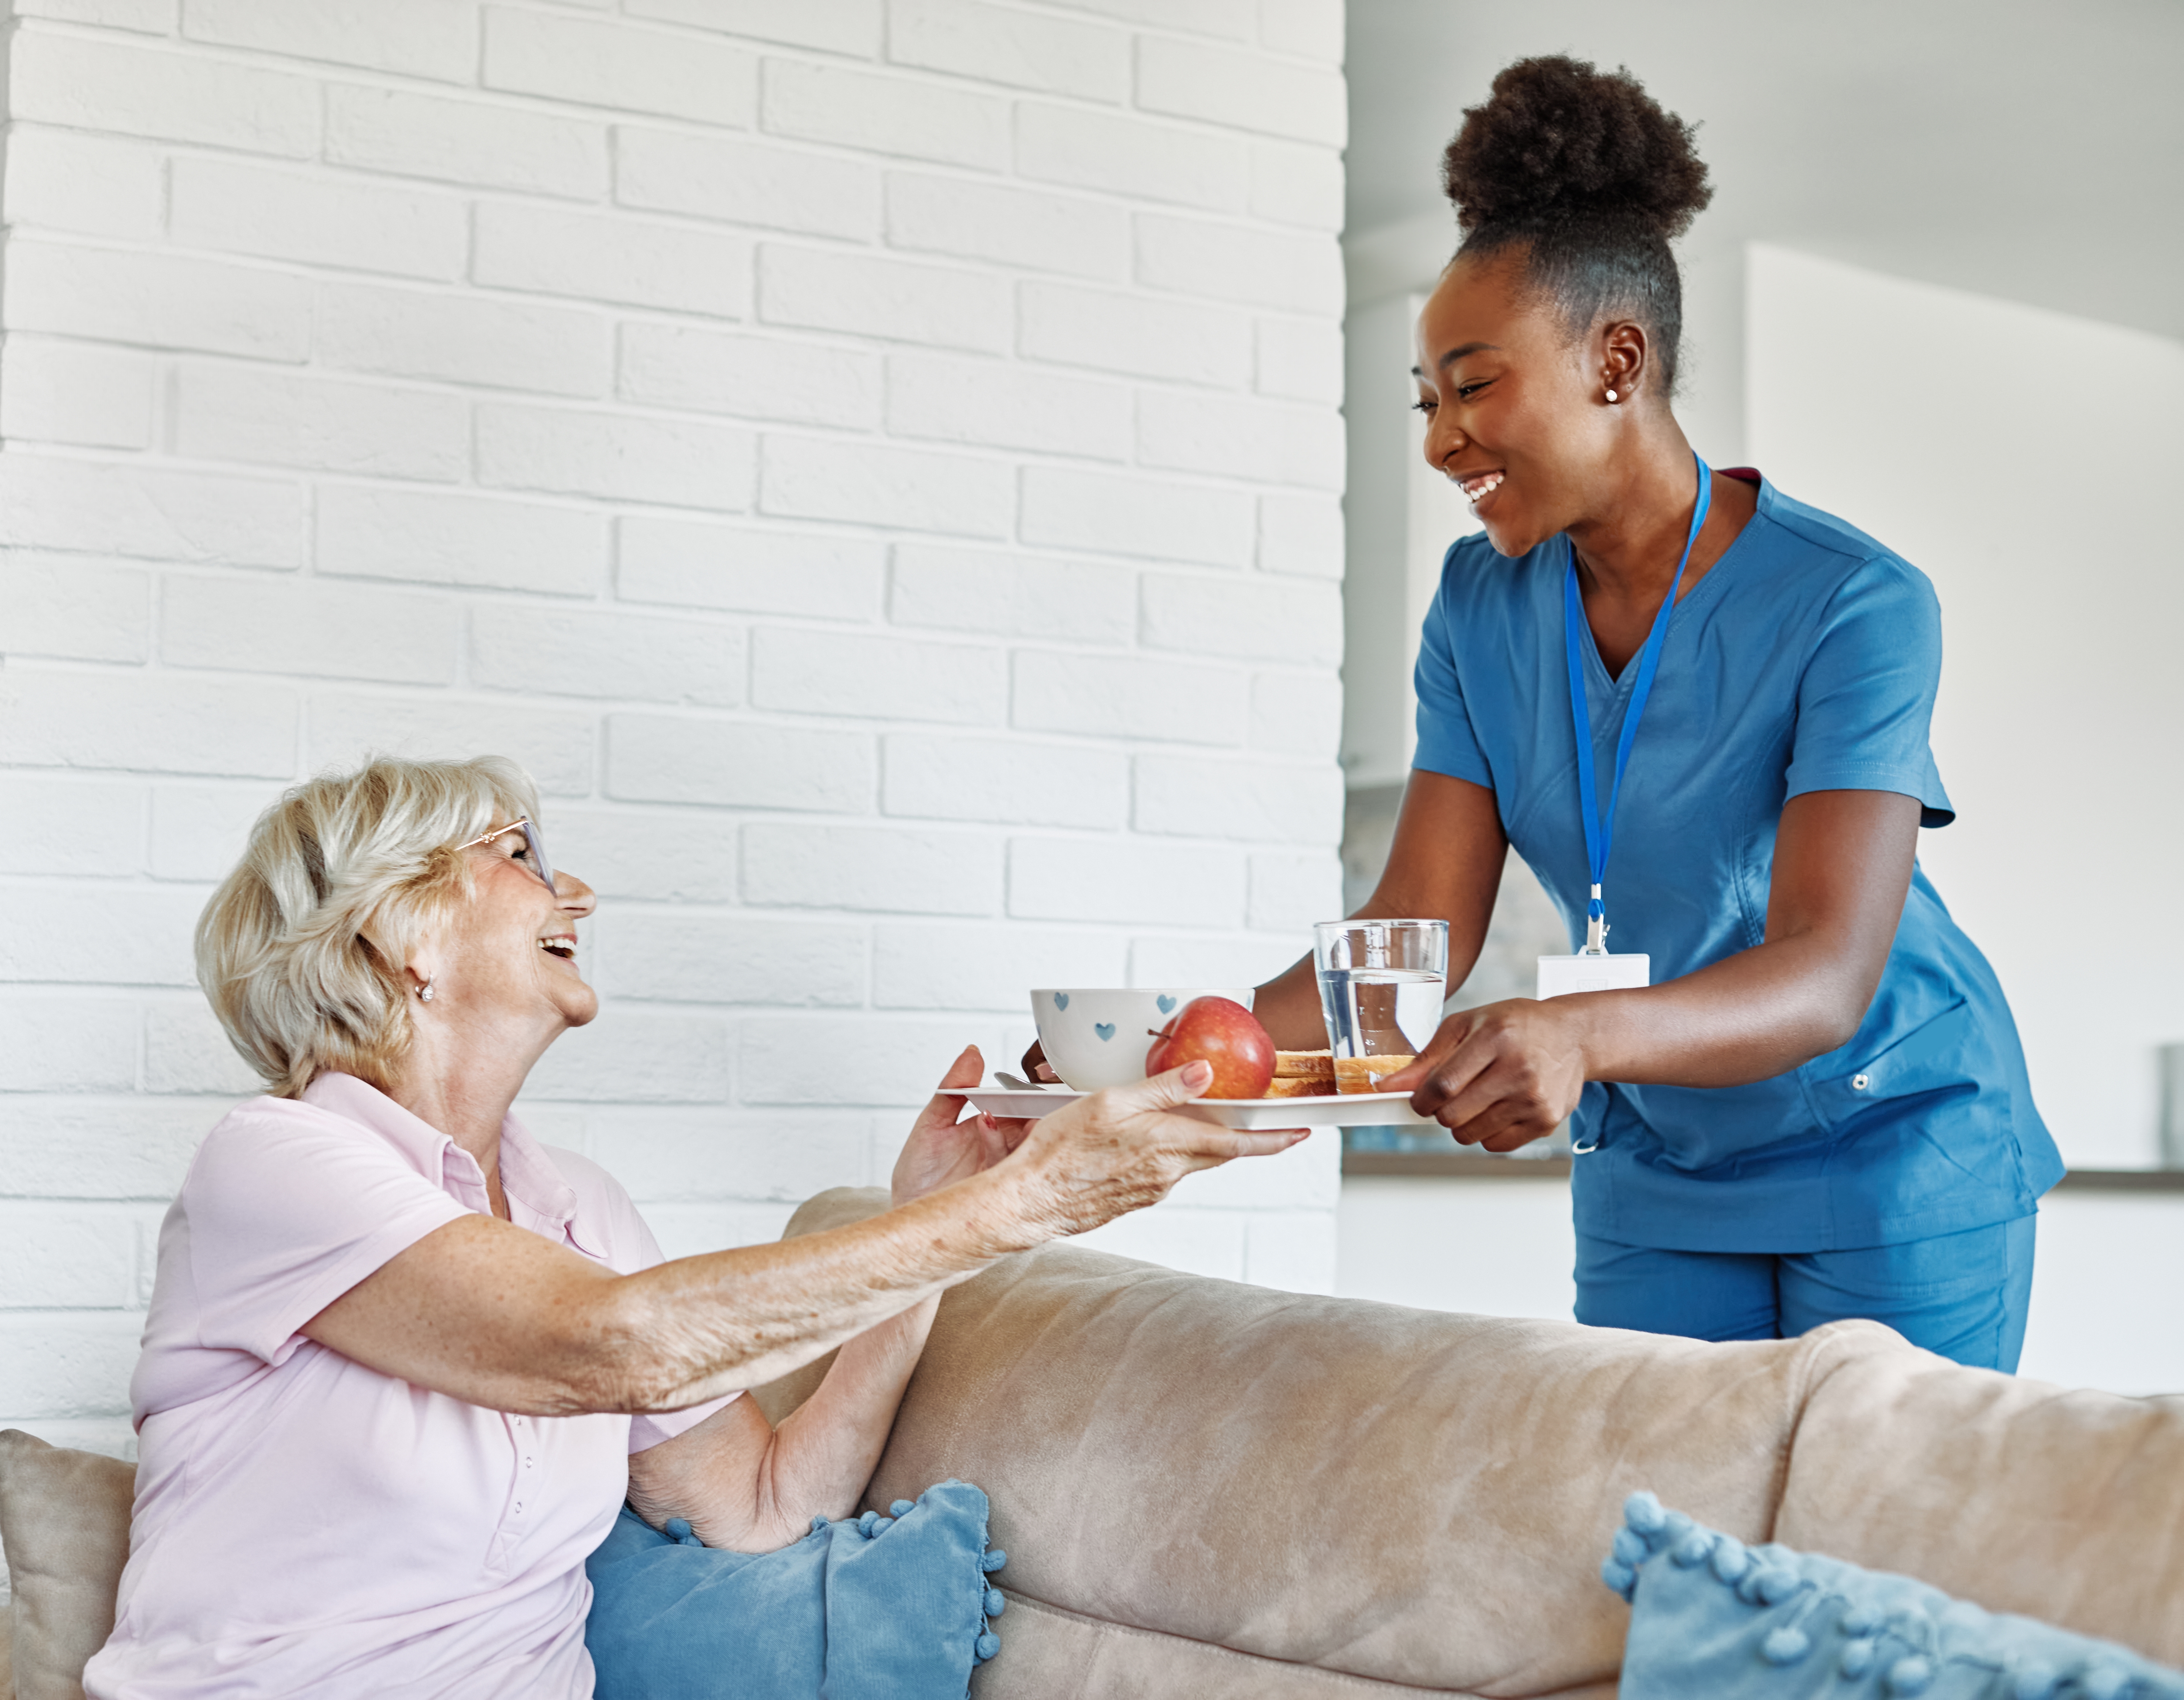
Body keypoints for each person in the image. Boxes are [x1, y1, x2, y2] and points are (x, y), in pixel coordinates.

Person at [83, 756, 1303, 1699]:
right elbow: (607, 1347)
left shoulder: (578, 1205)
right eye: (517, 854)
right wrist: (1025, 1202)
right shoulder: (279, 1166)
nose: (577, 891)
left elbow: (765, 1504)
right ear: (400, 936)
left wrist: (928, 1229)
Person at [1249, 57, 2062, 1368]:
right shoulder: (1478, 604)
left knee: (1863, 1556)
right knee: (1662, 1548)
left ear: (1615, 360)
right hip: (1658, 1163)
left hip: (1893, 1149)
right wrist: (1170, 1058)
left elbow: (1825, 971)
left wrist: (1570, 1035)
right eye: (1426, 403)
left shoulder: (1855, 601)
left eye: (1472, 387)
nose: (1440, 441)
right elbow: (1409, 941)